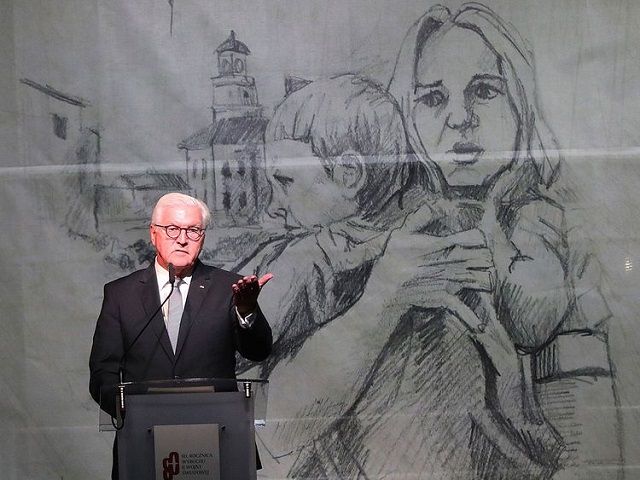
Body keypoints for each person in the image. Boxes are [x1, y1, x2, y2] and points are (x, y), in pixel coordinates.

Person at [290, 3, 619, 479]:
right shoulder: (391, 220)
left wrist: (489, 222)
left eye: (484, 91)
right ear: (406, 111)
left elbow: (532, 320)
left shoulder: (538, 220)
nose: (460, 118)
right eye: (432, 98)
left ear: (520, 106)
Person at [89, 192, 273, 479]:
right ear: (154, 233)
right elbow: (103, 374)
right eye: (172, 229)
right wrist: (133, 412)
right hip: (143, 442)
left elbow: (258, 351)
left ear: (202, 237)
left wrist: (247, 311)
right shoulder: (120, 294)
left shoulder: (229, 288)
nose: (182, 238)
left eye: (193, 230)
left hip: (219, 441)